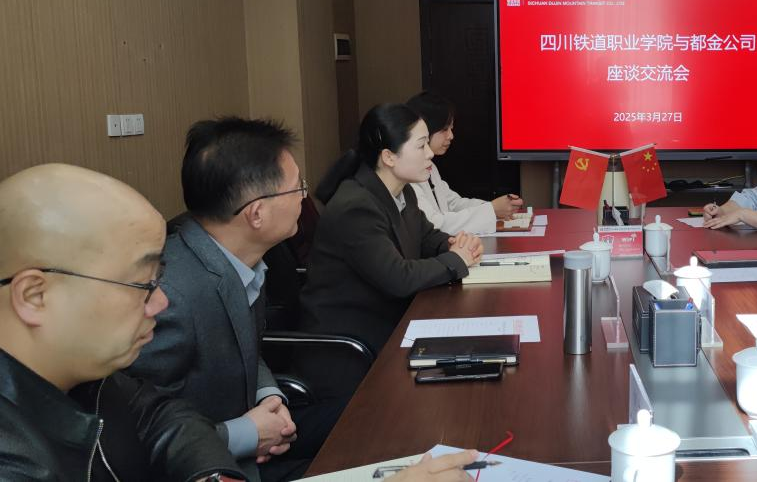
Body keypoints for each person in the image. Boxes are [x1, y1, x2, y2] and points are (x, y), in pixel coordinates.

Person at [0, 163, 246, 481]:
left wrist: (211, 475)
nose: (161, 302)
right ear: (35, 296)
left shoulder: (79, 370)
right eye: (142, 284)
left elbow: (159, 415)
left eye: (158, 279)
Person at [127, 118, 339, 481]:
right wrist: (247, 434)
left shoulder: (240, 259)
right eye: (297, 188)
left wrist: (269, 396)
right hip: (216, 466)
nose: (304, 197)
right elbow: (139, 434)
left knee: (367, 418)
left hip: (253, 429)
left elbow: (245, 346)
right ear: (256, 213)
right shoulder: (169, 297)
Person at [302, 103, 483, 355]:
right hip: (352, 344)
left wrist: (455, 244)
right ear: (389, 157)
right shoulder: (356, 207)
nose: (429, 154)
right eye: (421, 146)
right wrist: (456, 260)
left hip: (393, 322)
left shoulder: (403, 191)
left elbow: (426, 236)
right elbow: (398, 278)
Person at [405, 91, 523, 233]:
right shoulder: (407, 175)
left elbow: (453, 203)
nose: (451, 136)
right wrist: (491, 210)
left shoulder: (431, 167)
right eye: (444, 129)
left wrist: (493, 208)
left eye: (451, 128)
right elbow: (434, 224)